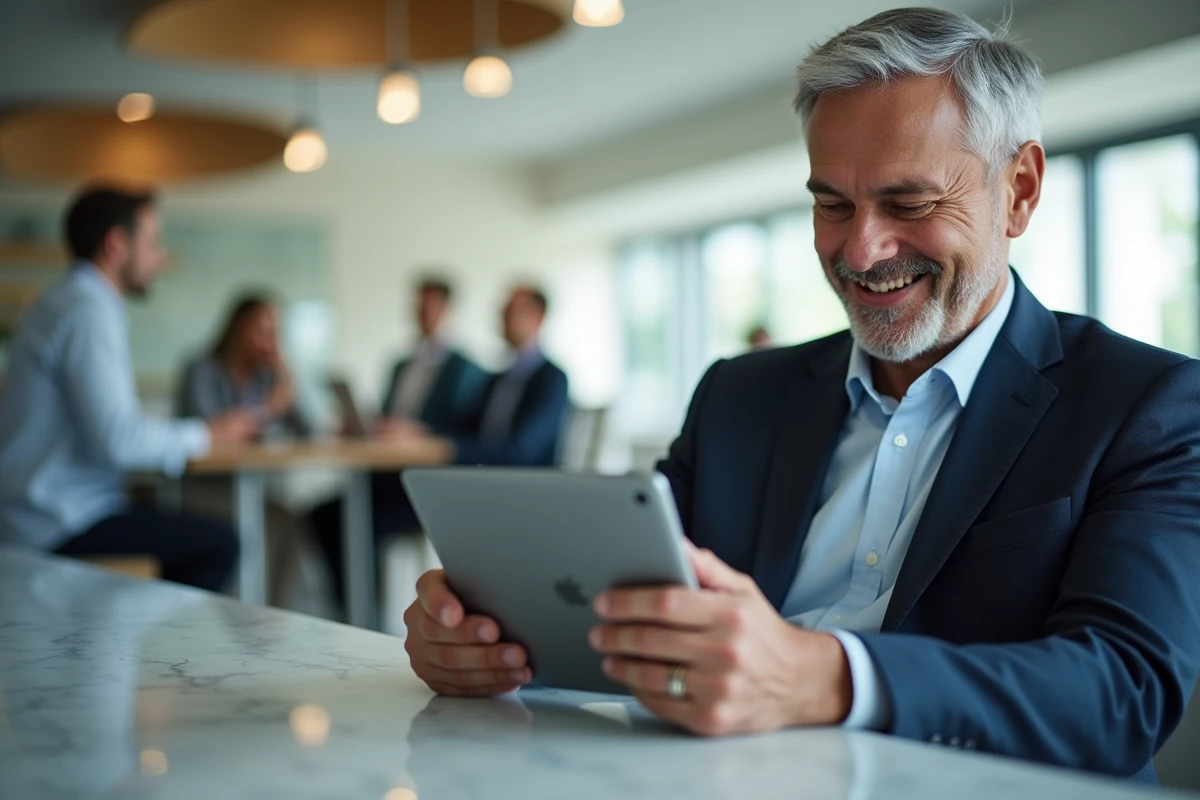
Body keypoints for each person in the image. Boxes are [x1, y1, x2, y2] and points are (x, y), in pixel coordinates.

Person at [400, 8, 1200, 782]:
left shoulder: (1147, 404)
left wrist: (826, 677)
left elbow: (1123, 694)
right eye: (831, 204)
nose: (862, 250)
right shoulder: (738, 396)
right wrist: (493, 636)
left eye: (909, 203)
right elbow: (614, 587)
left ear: (1019, 189)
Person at [0, 186, 258, 590]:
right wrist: (208, 434)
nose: (160, 257)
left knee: (183, 529)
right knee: (220, 545)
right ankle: (164, 652)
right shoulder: (87, 310)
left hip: (40, 512)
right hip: (58, 521)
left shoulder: (64, 301)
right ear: (117, 244)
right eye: (152, 242)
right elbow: (119, 440)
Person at [310, 284, 569, 615]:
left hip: (521, 494)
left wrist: (442, 443)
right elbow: (461, 427)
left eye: (511, 312)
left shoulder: (552, 379)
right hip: (476, 486)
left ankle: (366, 614)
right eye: (501, 312)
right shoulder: (495, 379)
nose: (502, 320)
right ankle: (357, 613)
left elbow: (518, 450)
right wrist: (420, 431)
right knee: (340, 510)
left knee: (362, 514)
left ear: (539, 317)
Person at [176, 293, 313, 606]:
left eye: (275, 333)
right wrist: (270, 407)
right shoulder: (202, 371)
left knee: (288, 521)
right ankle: (239, 614)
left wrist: (287, 379)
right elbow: (212, 433)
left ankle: (271, 617)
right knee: (266, 523)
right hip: (207, 490)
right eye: (262, 331)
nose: (269, 341)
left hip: (253, 489)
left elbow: (308, 430)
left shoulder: (267, 377)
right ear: (239, 329)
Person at [376, 278, 489, 437]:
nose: (424, 314)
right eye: (420, 307)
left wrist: (420, 432)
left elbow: (465, 426)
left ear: (447, 310)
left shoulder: (466, 370)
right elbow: (385, 417)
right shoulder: (400, 366)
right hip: (388, 453)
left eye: (431, 307)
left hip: (432, 456)